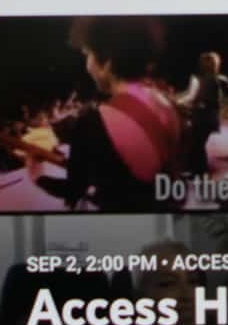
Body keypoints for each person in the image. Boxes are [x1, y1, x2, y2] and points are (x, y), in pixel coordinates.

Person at [51, 17, 181, 210]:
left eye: (88, 55)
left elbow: (73, 190)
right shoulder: (166, 103)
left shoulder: (92, 121)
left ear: (107, 63)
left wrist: (36, 176)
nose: (87, 65)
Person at [174, 51, 228, 178]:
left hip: (201, 115)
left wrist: (176, 101)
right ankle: (198, 170)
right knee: (199, 143)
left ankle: (198, 171)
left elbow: (190, 96)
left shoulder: (196, 78)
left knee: (196, 144)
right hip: (212, 116)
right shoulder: (218, 79)